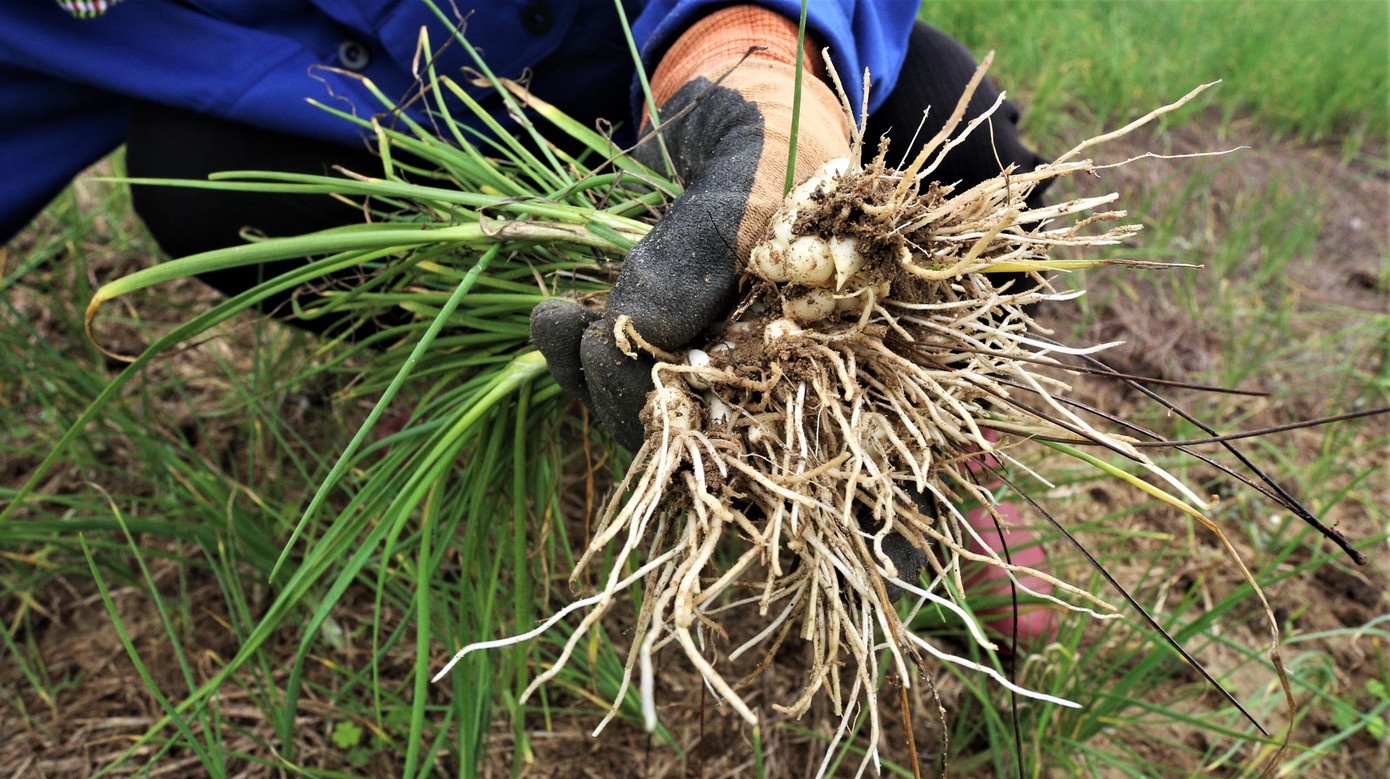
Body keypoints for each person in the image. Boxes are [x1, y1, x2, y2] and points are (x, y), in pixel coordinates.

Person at [2, 0, 1056, 642]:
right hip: (414, 150)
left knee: (938, 119)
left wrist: (754, 49)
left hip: (649, 64)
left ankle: (931, 468)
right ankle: (581, 349)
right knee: (202, 180)